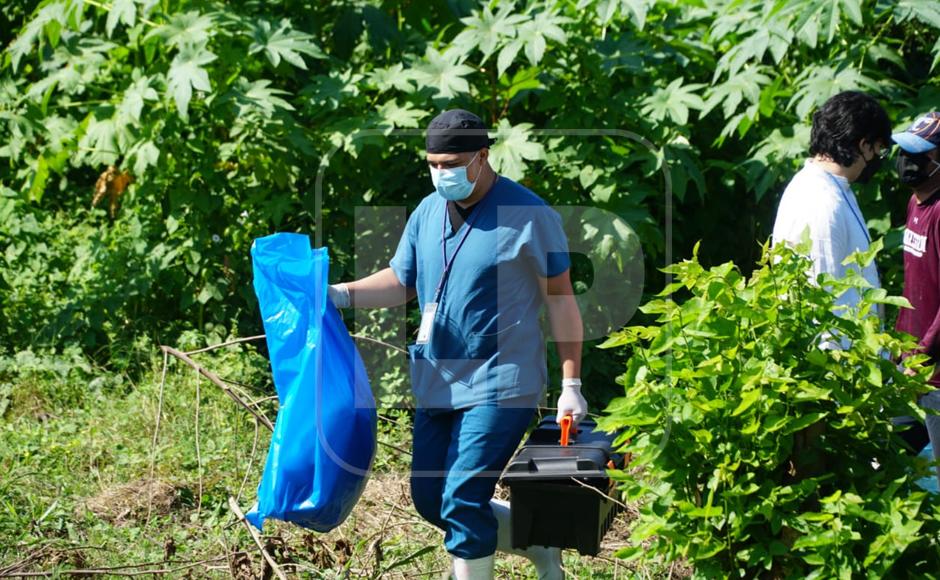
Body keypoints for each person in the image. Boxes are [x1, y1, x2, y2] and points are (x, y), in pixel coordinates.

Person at [328, 109, 586, 579]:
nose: (441, 173)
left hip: (502, 381)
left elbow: (562, 298)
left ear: (482, 157)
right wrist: (339, 295)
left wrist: (572, 383)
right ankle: (539, 546)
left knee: (462, 497)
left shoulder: (529, 215)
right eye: (433, 164)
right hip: (437, 381)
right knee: (432, 500)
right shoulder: (427, 212)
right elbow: (401, 281)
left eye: (451, 164)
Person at [772, 91, 891, 324]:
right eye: (880, 149)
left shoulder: (835, 187)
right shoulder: (822, 203)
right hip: (839, 355)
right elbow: (822, 301)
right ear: (864, 145)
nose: (878, 157)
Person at [892, 112, 940, 483]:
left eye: (920, 155)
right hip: (909, 365)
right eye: (904, 153)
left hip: (932, 373)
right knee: (887, 463)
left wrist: (923, 354)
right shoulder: (915, 203)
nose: (908, 162)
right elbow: (915, 284)